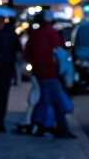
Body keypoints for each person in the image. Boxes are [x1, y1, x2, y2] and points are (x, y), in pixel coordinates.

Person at [24, 8, 75, 138]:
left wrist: (34, 67)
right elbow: (59, 51)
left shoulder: (35, 34)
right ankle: (57, 127)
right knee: (56, 101)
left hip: (40, 72)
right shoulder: (51, 33)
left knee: (45, 99)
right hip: (51, 72)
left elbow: (27, 53)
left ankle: (40, 124)